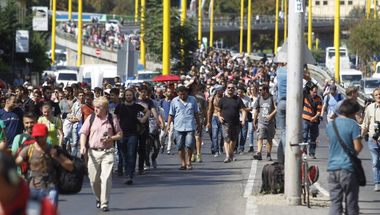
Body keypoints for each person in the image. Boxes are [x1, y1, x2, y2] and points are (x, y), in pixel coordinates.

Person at [15, 123, 74, 207]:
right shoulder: (28, 149)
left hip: (51, 187)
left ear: (47, 135)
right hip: (33, 187)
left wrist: (56, 157)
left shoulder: (53, 149)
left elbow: (70, 166)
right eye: (37, 137)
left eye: (41, 136)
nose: (39, 139)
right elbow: (18, 161)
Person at [80, 97, 122, 212]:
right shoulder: (91, 118)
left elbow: (119, 134)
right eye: (95, 107)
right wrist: (83, 146)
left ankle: (104, 203)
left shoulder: (112, 118)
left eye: (98, 107)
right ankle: (99, 198)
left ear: (105, 108)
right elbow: (83, 134)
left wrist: (110, 138)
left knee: (106, 178)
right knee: (93, 180)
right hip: (93, 153)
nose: (96, 109)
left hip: (108, 152)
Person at [326, 99, 363, 214]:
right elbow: (357, 147)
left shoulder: (331, 124)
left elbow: (329, 140)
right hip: (348, 169)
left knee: (335, 203)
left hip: (332, 168)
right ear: (352, 113)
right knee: (351, 203)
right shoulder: (352, 124)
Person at [116, 89, 150, 185]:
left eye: (130, 95)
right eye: (127, 95)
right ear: (124, 97)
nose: (128, 97)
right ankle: (127, 171)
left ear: (133, 96)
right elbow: (114, 118)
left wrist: (144, 118)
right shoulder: (120, 107)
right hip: (121, 134)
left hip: (133, 134)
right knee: (124, 156)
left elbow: (148, 111)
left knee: (131, 154)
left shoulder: (136, 106)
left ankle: (129, 175)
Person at [167, 86, 201, 170]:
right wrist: (168, 125)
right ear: (178, 94)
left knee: (189, 144)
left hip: (190, 126)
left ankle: (189, 161)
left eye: (184, 94)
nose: (182, 96)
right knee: (180, 146)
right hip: (178, 127)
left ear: (187, 92)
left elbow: (196, 113)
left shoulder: (192, 100)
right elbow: (171, 114)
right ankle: (183, 163)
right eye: (180, 94)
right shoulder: (174, 101)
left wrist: (199, 125)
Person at [218, 83, 246, 163]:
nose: (230, 89)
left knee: (233, 140)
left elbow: (243, 110)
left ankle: (231, 152)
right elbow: (218, 110)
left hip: (235, 123)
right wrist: (219, 117)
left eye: (232, 88)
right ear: (226, 89)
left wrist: (243, 120)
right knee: (226, 139)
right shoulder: (223, 99)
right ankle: (227, 156)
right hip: (225, 123)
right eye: (229, 87)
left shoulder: (238, 99)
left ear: (234, 89)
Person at [361, 88, 380, 192]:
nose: (378, 96)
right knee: (375, 161)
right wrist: (360, 137)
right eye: (376, 95)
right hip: (373, 139)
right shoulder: (370, 108)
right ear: (374, 96)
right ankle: (377, 183)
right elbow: (365, 123)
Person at [253, 84, 277, 161]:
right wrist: (254, 121)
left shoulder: (272, 98)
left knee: (269, 139)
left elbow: (277, 108)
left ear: (265, 90)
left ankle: (268, 154)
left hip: (270, 123)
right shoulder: (259, 98)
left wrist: (270, 115)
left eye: (260, 90)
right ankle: (259, 153)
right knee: (260, 137)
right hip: (261, 122)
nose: (259, 91)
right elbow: (256, 110)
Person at [11, 112, 38, 177]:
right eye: (27, 123)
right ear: (23, 123)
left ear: (36, 122)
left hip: (39, 178)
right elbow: (13, 157)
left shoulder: (43, 138)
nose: (29, 125)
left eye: (32, 122)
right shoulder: (18, 138)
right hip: (22, 177)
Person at [302, 85, 322, 159]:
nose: (315, 93)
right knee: (304, 135)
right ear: (310, 91)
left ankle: (312, 153)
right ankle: (304, 150)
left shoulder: (318, 99)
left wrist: (314, 118)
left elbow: (319, 111)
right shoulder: (306, 96)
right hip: (305, 118)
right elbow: (302, 90)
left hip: (314, 120)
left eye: (316, 92)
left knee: (313, 137)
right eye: (313, 92)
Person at [207, 85, 225, 157]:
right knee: (214, 135)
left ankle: (221, 147)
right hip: (214, 117)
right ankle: (216, 150)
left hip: (222, 117)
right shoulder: (212, 98)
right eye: (221, 90)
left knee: (223, 135)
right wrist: (208, 121)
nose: (223, 91)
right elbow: (210, 110)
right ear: (217, 91)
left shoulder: (224, 98)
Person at [236, 86, 252, 154]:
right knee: (236, 134)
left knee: (244, 134)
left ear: (244, 92)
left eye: (241, 92)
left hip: (245, 119)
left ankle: (241, 148)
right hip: (236, 119)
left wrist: (242, 110)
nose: (239, 93)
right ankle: (235, 147)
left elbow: (250, 108)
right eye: (238, 91)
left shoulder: (247, 99)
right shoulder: (235, 98)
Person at [159, 88, 174, 155]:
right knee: (162, 135)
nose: (169, 93)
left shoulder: (173, 101)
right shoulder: (161, 101)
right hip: (163, 121)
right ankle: (162, 145)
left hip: (171, 121)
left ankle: (169, 149)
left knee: (170, 136)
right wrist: (160, 121)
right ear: (165, 93)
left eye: (170, 92)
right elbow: (159, 111)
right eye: (168, 92)